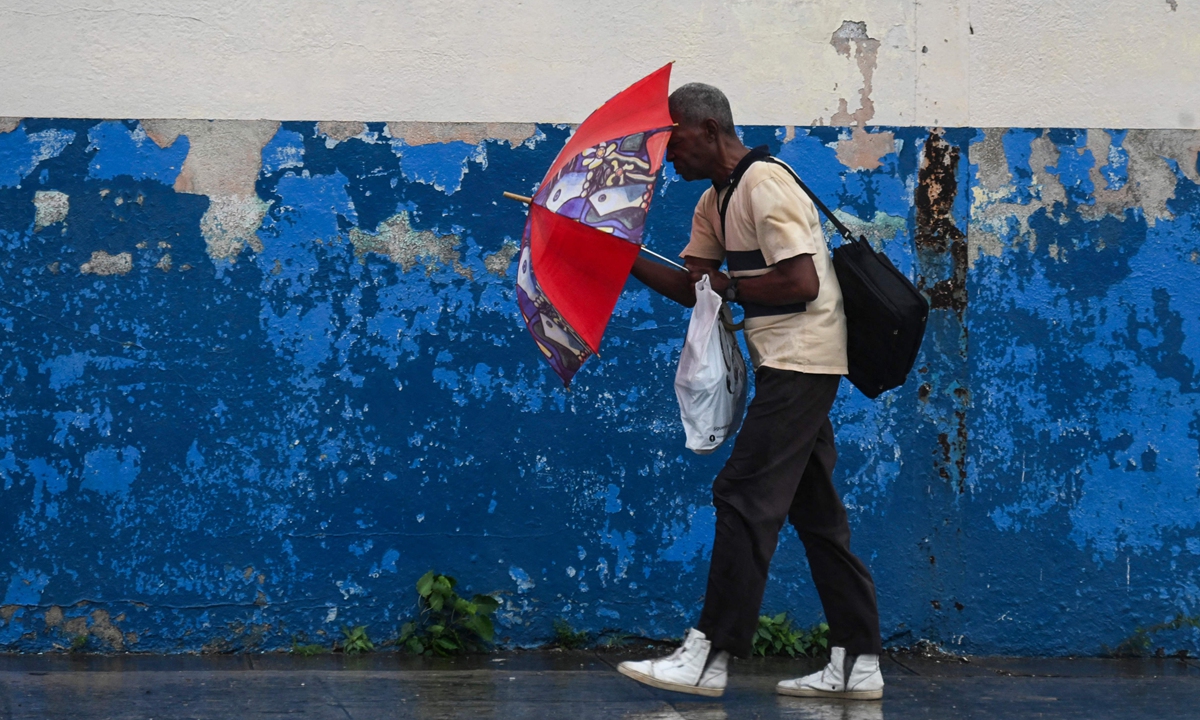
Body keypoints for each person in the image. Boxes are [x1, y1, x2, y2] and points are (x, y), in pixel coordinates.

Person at [616, 83, 884, 700]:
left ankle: (709, 655)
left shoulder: (765, 183)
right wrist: (619, 254)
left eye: (673, 139)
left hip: (804, 362)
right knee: (817, 517)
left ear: (710, 130)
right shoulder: (714, 201)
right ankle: (858, 662)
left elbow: (802, 282)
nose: (666, 155)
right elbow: (695, 288)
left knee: (741, 495)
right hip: (780, 363)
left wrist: (730, 287)